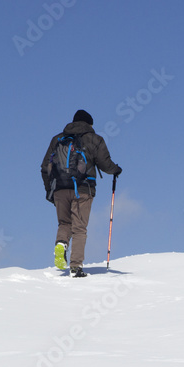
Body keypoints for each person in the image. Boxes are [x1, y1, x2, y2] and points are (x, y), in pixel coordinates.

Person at [41, 110, 122, 277]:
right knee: (79, 228)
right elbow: (105, 164)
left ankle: (61, 243)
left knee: (64, 223)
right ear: (89, 124)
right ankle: (75, 266)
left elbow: (44, 167)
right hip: (83, 189)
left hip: (60, 189)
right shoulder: (94, 139)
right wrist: (116, 170)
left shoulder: (58, 139)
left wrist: (50, 190)